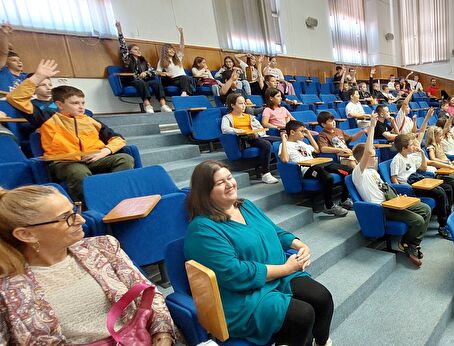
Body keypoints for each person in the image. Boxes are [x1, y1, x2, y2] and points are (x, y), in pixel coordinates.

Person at [0, 185, 175, 345]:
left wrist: (163, 334)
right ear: (26, 234)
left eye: (74, 210)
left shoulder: (102, 247)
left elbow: (149, 295)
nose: (81, 220)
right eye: (65, 217)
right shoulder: (6, 288)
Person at [183, 161, 333, 346]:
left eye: (229, 177)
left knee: (321, 297)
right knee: (302, 315)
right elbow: (234, 273)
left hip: (277, 275)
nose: (230, 184)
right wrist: (287, 268)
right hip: (243, 294)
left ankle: (322, 342)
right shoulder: (202, 229)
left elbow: (273, 231)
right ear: (205, 192)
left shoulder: (245, 205)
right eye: (220, 182)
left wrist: (300, 245)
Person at [7, 60, 134, 202]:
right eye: (75, 103)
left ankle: (113, 196)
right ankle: (89, 206)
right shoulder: (47, 118)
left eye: (83, 103)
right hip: (64, 162)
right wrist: (37, 77)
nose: (81, 107)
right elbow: (15, 98)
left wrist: (104, 152)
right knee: (78, 172)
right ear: (60, 105)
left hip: (94, 159)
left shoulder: (90, 120)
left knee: (125, 159)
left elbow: (118, 138)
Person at [351, 112, 430, 266]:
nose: (375, 158)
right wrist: (372, 127)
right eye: (373, 157)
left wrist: (396, 195)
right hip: (381, 208)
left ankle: (412, 242)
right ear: (363, 159)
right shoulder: (357, 174)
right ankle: (407, 244)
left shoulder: (373, 172)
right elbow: (367, 151)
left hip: (392, 201)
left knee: (425, 208)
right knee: (418, 220)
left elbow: (384, 188)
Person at [280, 120, 352, 216]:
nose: (303, 133)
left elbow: (317, 150)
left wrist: (309, 135)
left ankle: (344, 199)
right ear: (292, 132)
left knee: (348, 170)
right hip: (306, 169)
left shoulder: (302, 143)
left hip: (318, 165)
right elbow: (284, 160)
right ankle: (329, 206)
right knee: (328, 178)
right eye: (301, 131)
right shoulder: (284, 145)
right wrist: (284, 140)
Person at [390, 133, 452, 239]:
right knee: (440, 193)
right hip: (410, 188)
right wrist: (400, 194)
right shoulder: (397, 160)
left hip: (418, 181)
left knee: (447, 188)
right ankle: (442, 225)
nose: (413, 146)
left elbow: (423, 168)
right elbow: (394, 179)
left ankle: (448, 216)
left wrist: (422, 153)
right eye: (410, 145)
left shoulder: (409, 156)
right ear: (404, 148)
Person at [220, 94, 279, 184]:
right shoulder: (228, 117)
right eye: (240, 103)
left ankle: (282, 165)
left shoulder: (249, 116)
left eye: (244, 103)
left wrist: (257, 133)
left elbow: (259, 127)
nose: (244, 105)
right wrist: (239, 131)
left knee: (281, 140)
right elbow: (225, 129)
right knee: (266, 145)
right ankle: (265, 173)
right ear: (232, 105)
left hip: (257, 136)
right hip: (245, 139)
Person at [116, 21, 170, 113]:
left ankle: (163, 105)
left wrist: (146, 72)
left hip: (144, 80)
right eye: (135, 49)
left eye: (139, 49)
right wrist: (119, 30)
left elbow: (153, 72)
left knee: (156, 83)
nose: (138, 51)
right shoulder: (127, 59)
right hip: (131, 80)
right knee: (141, 83)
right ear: (130, 52)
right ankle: (147, 105)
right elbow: (123, 45)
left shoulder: (144, 61)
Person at [156, 27, 193, 96]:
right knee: (186, 78)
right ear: (165, 51)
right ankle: (185, 93)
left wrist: (181, 34)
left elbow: (182, 46)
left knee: (186, 78)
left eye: (173, 49)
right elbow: (157, 72)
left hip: (183, 79)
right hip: (173, 80)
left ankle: (184, 93)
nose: (172, 51)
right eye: (170, 49)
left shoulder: (178, 58)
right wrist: (165, 73)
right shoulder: (162, 60)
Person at [0, 24, 26, 93]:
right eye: (14, 60)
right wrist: (4, 35)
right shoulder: (3, 72)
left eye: (19, 60)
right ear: (6, 64)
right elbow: (4, 53)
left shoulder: (25, 76)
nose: (19, 62)